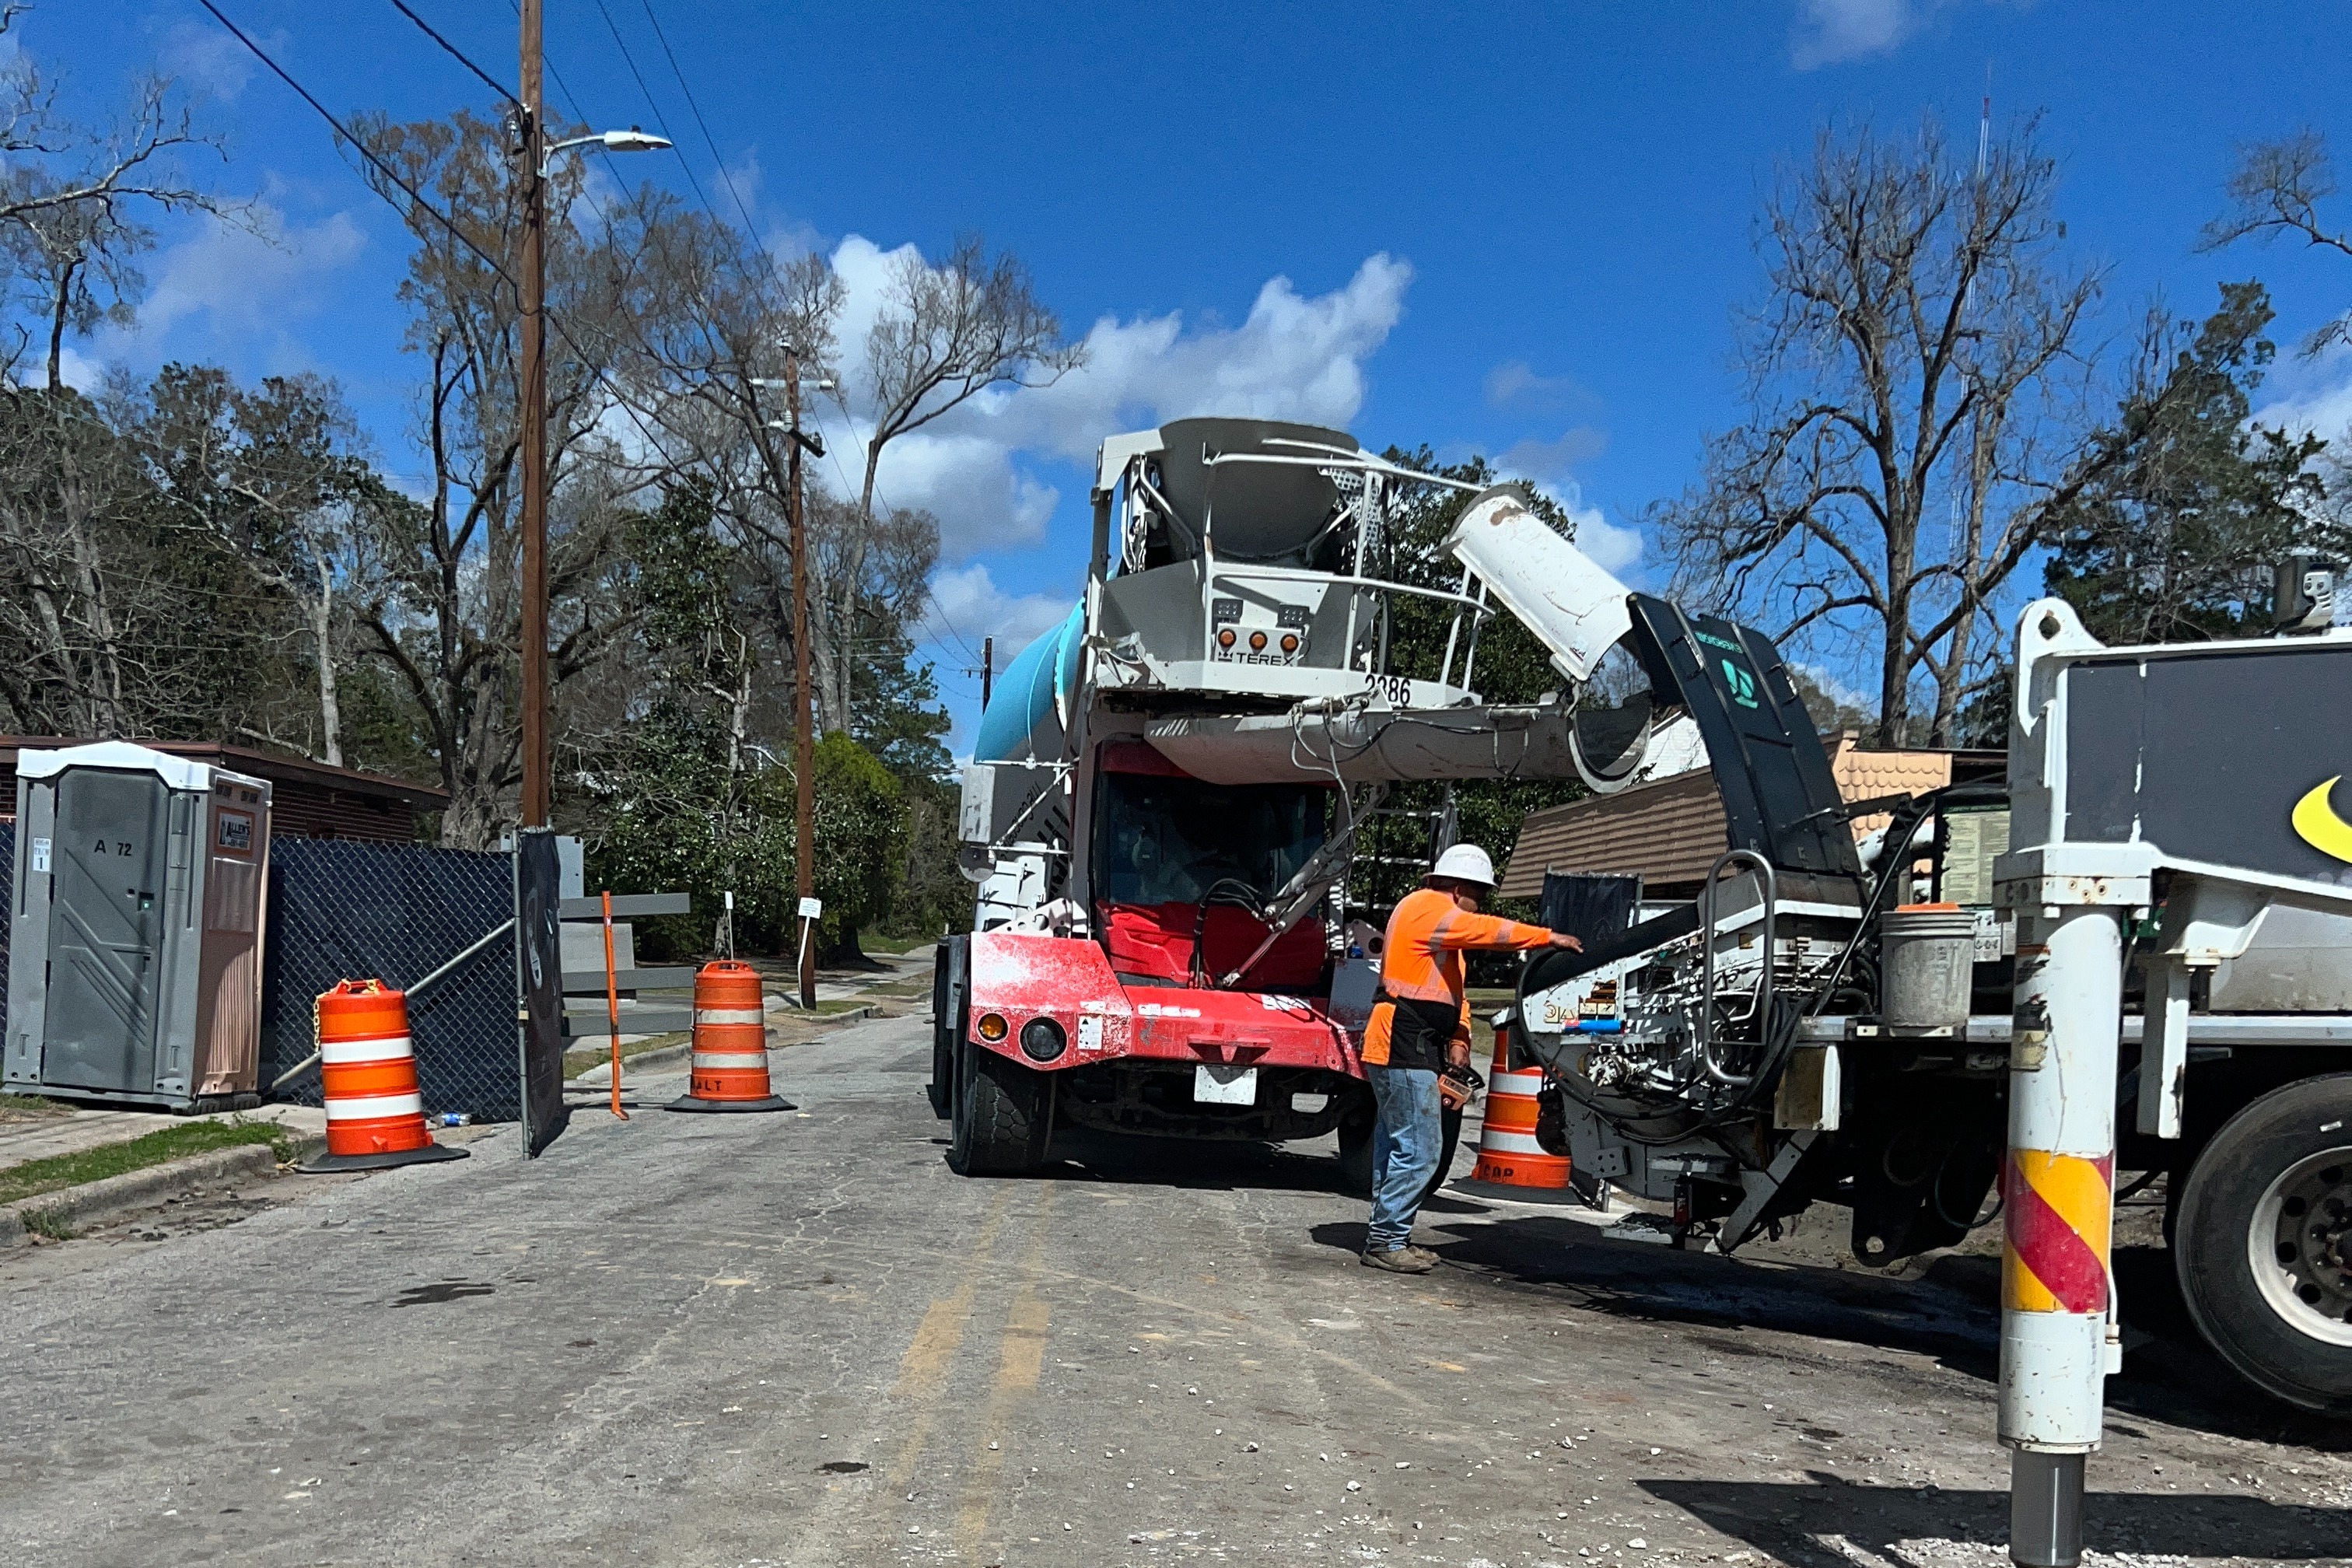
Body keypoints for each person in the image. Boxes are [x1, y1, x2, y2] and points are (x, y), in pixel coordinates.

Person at [1358, 843, 1580, 1272]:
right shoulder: (1425, 907)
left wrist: (1460, 1038)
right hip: (1402, 1042)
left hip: (1409, 1043)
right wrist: (1546, 937)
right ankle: (1386, 1241)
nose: (1480, 905)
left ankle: (1388, 1235)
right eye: (1479, 894)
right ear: (1460, 889)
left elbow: (1452, 994)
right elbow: (1487, 931)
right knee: (1420, 1149)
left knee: (1400, 1145)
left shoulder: (1443, 935)